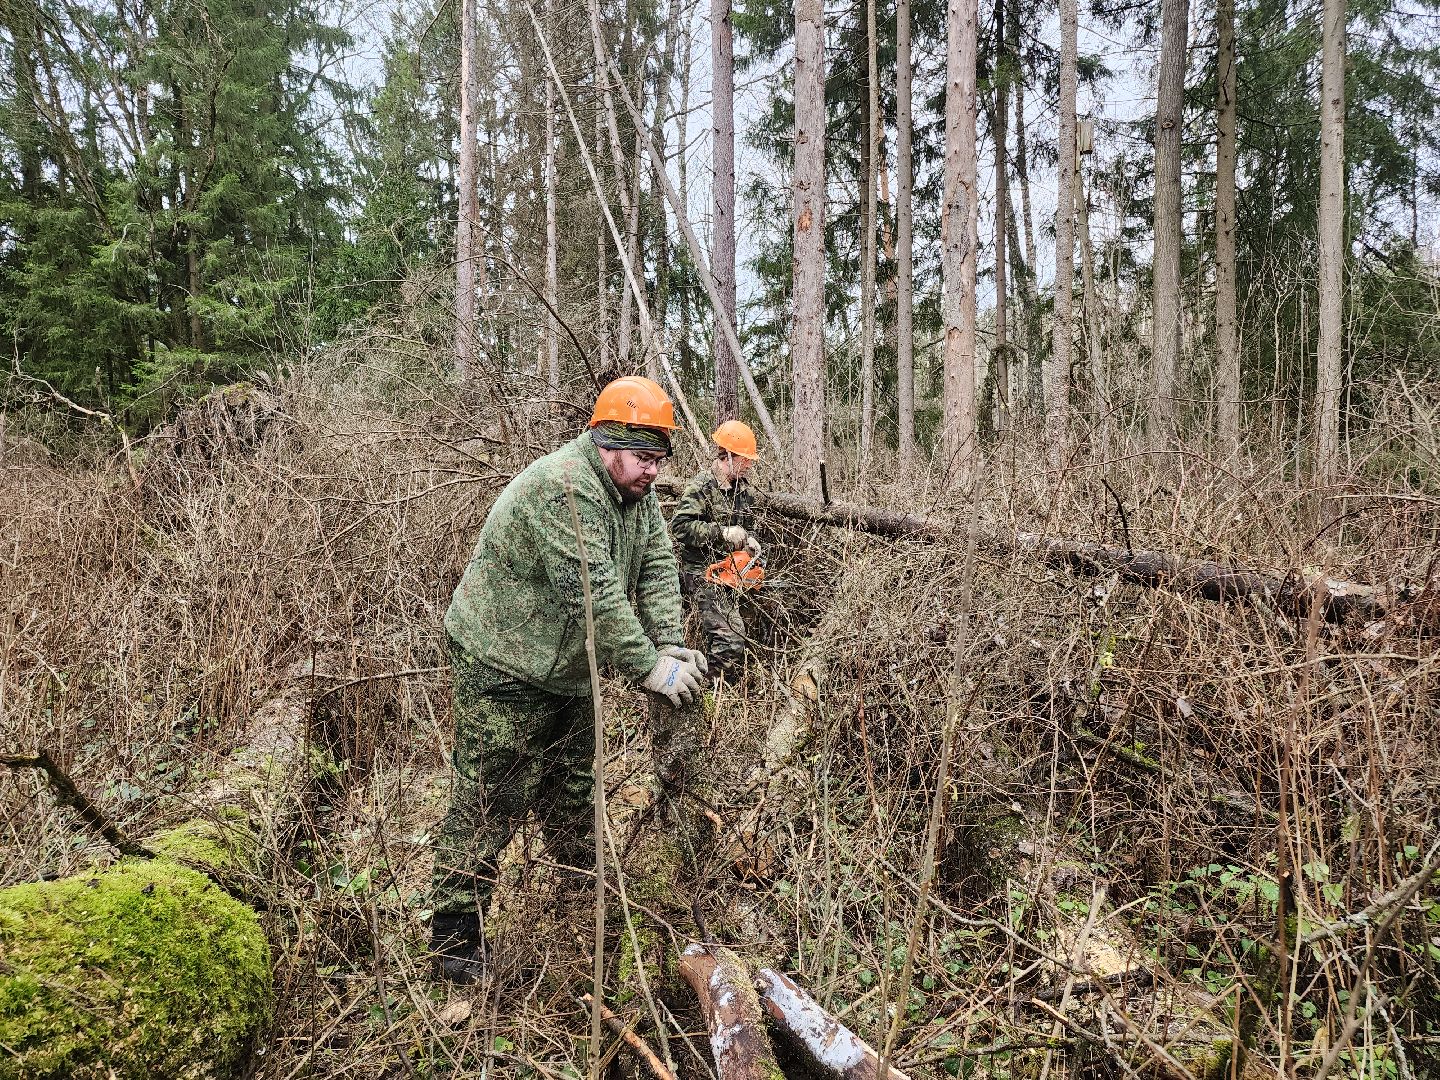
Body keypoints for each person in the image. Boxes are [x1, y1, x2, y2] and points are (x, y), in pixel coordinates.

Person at [428, 376, 708, 984]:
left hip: (569, 669)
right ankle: (453, 939)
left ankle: (583, 905)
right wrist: (647, 668)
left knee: (574, 791)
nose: (654, 472)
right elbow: (597, 599)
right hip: (503, 660)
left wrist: (670, 645)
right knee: (488, 798)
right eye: (645, 459)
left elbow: (658, 568)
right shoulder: (568, 489)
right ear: (609, 446)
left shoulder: (637, 496)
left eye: (661, 460)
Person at [670, 420, 762, 678]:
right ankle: (710, 693)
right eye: (745, 459)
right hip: (703, 572)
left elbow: (746, 526)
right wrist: (720, 533)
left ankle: (736, 683)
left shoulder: (742, 489)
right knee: (730, 640)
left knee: (753, 623)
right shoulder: (702, 486)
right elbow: (680, 527)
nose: (750, 465)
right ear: (729, 457)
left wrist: (749, 539)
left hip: (733, 570)